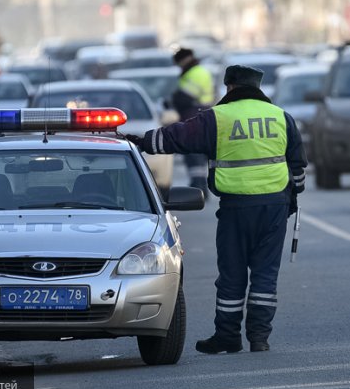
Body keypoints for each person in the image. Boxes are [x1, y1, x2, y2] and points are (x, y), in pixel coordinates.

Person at [127, 65, 307, 354]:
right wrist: (292, 197)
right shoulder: (281, 117)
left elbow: (178, 137)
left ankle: (228, 336)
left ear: (231, 87)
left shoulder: (218, 118)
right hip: (275, 208)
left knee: (233, 273)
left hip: (237, 209)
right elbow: (297, 167)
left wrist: (141, 142)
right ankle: (259, 338)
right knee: (265, 274)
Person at [171, 48, 214, 195]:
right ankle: (200, 185)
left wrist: (172, 101)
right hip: (200, 113)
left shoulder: (196, 73)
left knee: (194, 152)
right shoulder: (196, 72)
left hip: (195, 114)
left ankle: (199, 186)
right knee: (197, 152)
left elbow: (185, 97)